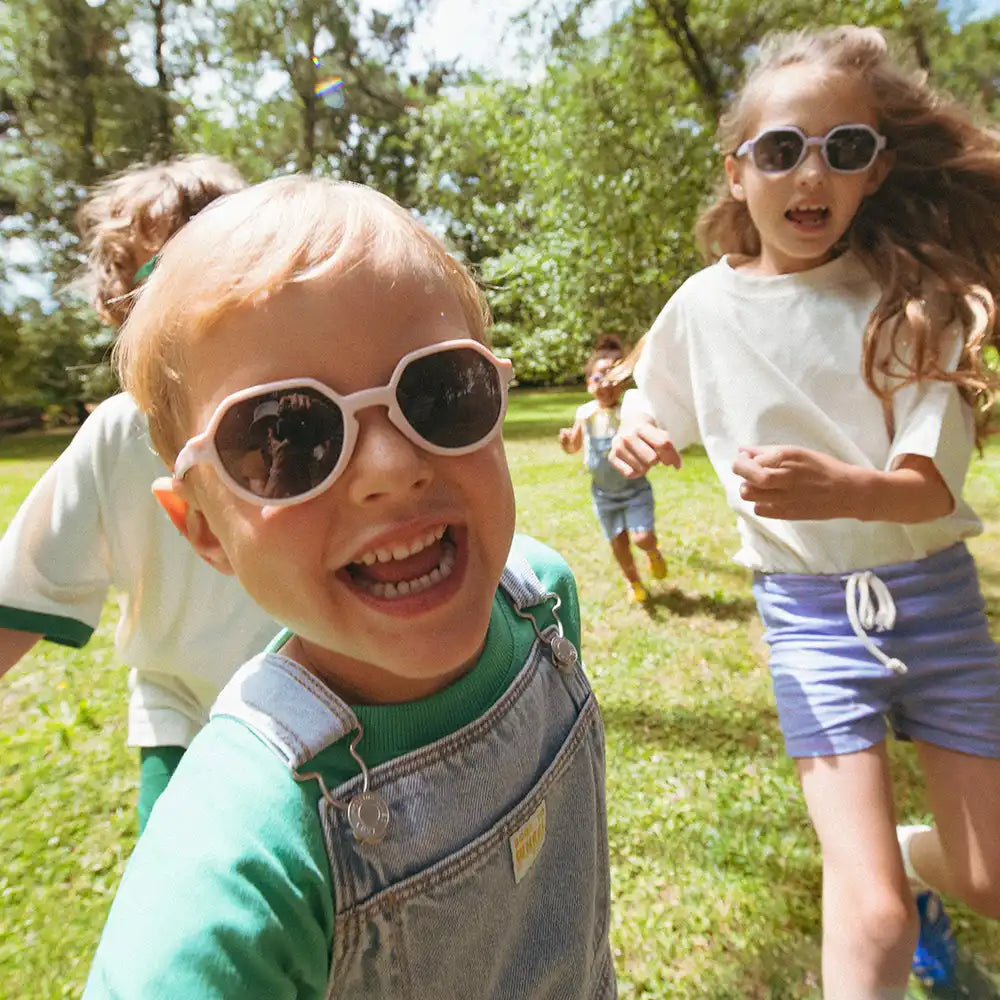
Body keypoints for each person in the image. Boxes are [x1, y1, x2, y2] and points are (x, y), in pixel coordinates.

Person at [81, 175, 615, 1000]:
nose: (392, 469)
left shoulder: (540, 598)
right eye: (285, 435)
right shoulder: (236, 864)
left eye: (439, 392)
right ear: (201, 529)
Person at [609, 25, 1000, 1000]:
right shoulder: (703, 307)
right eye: (780, 149)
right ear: (738, 174)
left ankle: (911, 860)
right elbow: (653, 396)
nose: (809, 171)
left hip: (936, 606)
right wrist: (638, 432)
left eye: (844, 148)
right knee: (866, 916)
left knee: (989, 876)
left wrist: (836, 486)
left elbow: (926, 486)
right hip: (812, 615)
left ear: (878, 170)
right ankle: (885, 886)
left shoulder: (918, 301)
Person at [0, 155, 280, 832]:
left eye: (234, 252)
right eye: (171, 269)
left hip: (335, 702)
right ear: (119, 309)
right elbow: (19, 596)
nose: (213, 285)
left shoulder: (309, 408)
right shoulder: (121, 434)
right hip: (186, 724)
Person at [559, 334, 667, 603]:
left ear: (621, 384)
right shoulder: (585, 413)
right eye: (598, 378)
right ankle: (634, 582)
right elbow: (575, 445)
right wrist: (567, 443)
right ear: (588, 384)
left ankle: (653, 552)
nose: (604, 385)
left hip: (634, 488)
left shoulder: (629, 411)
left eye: (612, 379)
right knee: (618, 542)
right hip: (603, 493)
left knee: (642, 537)